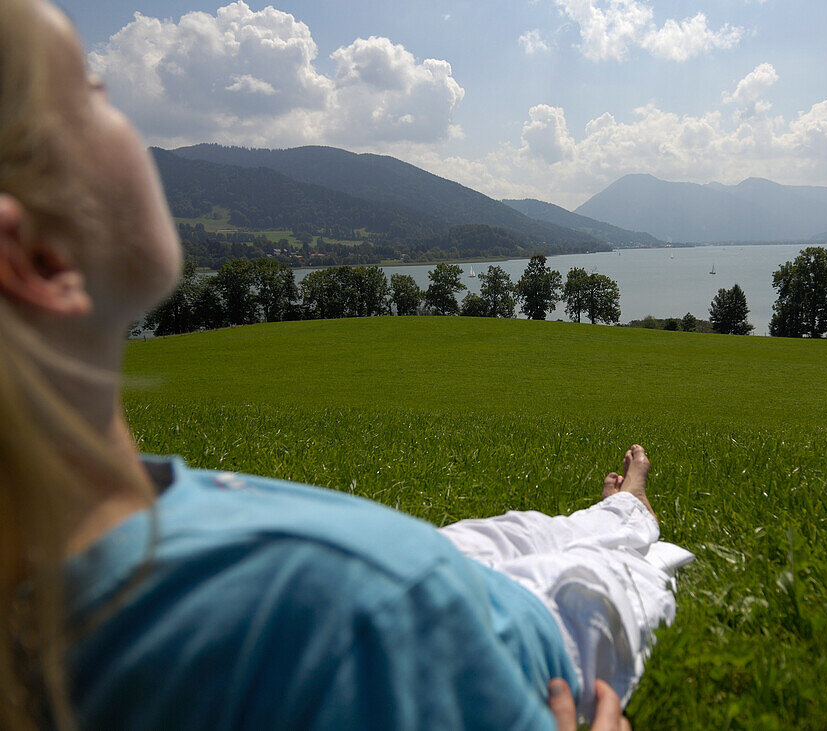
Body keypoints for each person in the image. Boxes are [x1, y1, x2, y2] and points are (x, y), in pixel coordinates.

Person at [0, 1, 692, 729]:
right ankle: (630, 516)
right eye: (89, 91)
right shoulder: (344, 621)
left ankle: (607, 511)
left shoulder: (79, 559)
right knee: (602, 575)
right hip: (494, 622)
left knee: (514, 535)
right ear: (40, 260)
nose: (121, 106)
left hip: (429, 568)